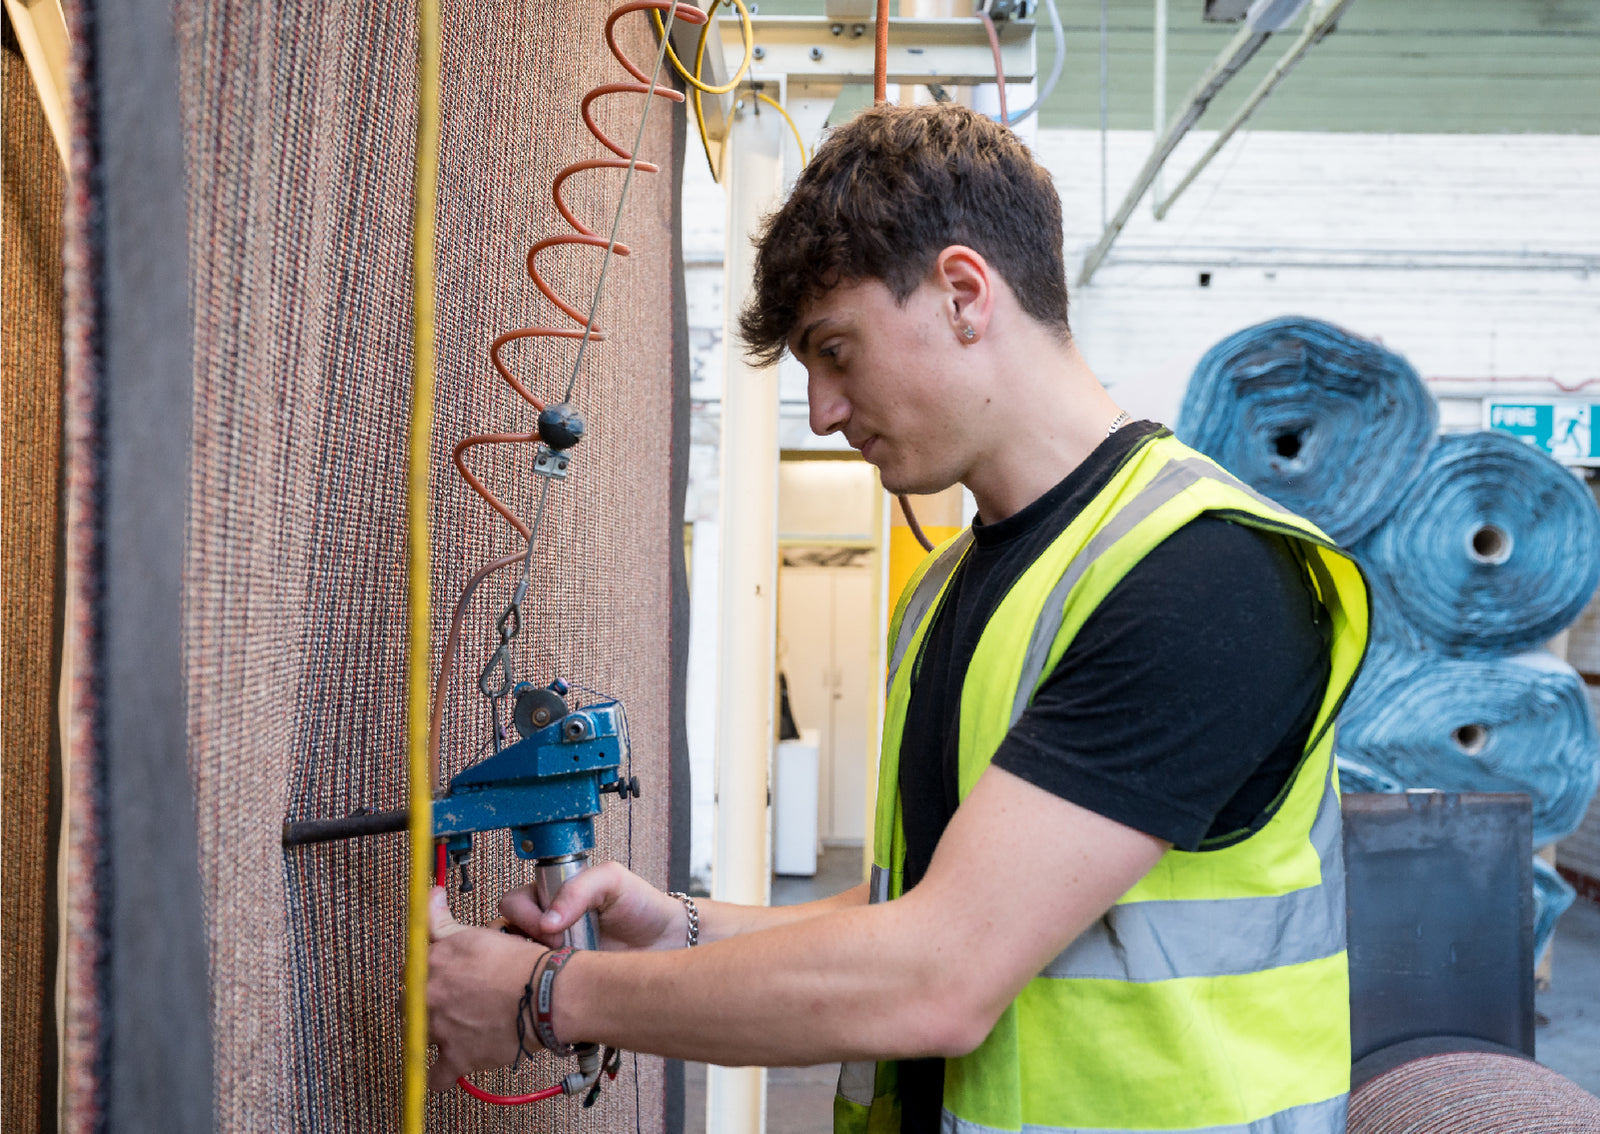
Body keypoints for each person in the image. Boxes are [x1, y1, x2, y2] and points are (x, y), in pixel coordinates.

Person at [428, 102, 1369, 1134]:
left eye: (837, 352)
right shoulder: (956, 584)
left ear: (965, 293)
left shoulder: (1199, 574)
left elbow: (938, 976)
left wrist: (547, 1000)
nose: (824, 412)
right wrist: (683, 930)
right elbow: (915, 907)